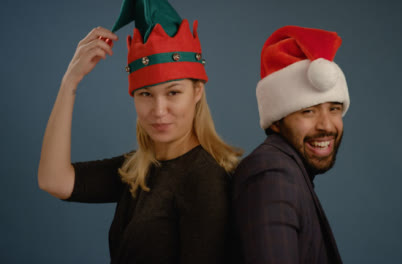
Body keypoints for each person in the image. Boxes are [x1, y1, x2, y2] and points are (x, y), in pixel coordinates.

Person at [38, 0, 242, 263]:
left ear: (197, 91)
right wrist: (70, 81)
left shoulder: (205, 180)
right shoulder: (139, 169)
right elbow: (53, 180)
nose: (158, 110)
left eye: (173, 92)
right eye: (146, 94)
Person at [232, 26, 350, 264]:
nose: (326, 125)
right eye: (308, 111)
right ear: (276, 121)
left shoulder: (290, 172)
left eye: (334, 109)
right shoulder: (272, 175)